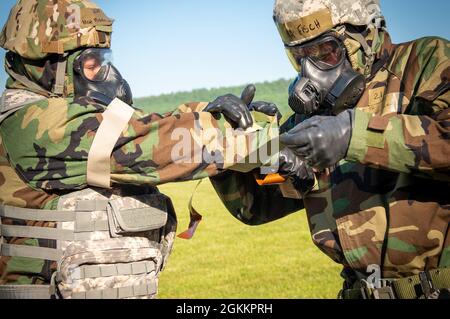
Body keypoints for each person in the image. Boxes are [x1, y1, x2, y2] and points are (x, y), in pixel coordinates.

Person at [0, 0, 279, 299]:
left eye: (105, 61)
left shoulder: (66, 119)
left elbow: (145, 128)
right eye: (92, 65)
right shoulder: (32, 123)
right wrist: (260, 140)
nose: (107, 75)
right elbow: (146, 145)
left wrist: (211, 115)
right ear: (46, 67)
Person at [209, 0, 450, 299]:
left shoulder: (426, 62)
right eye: (300, 57)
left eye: (326, 52)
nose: (311, 72)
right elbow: (256, 206)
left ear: (365, 35)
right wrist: (233, 150)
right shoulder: (311, 118)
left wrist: (354, 135)